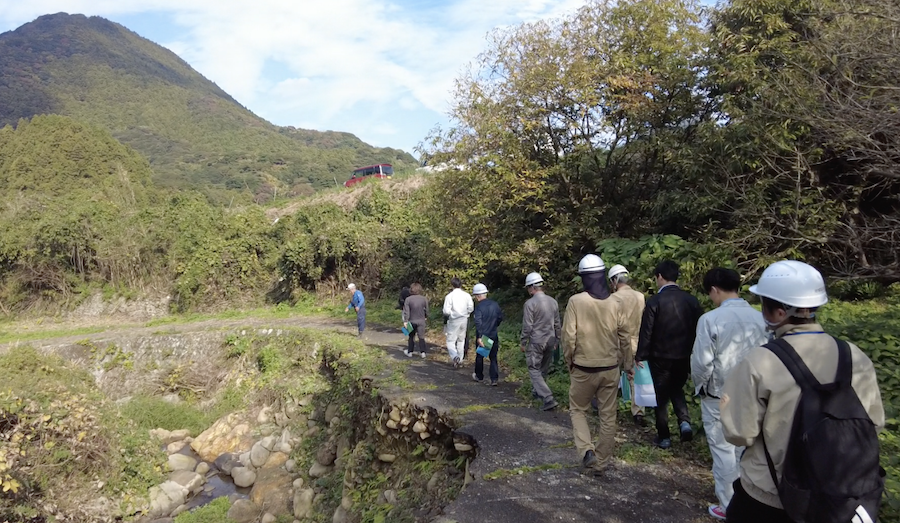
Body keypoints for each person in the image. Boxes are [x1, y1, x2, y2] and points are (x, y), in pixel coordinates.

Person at [720, 261, 884, 522]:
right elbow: (873, 422)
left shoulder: (761, 361)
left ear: (779, 313)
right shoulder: (855, 356)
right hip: (838, 496)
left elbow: (739, 433)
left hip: (770, 497)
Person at [690, 268, 768, 520]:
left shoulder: (711, 320)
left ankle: (728, 506)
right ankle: (748, 503)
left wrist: (700, 387)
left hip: (719, 395)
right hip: (756, 395)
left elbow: (702, 363)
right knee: (746, 450)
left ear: (714, 289)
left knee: (722, 451)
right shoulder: (761, 319)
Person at [562, 254, 633, 476]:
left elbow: (568, 338)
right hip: (610, 368)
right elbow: (625, 336)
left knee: (577, 410)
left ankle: (586, 451)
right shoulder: (615, 302)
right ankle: (601, 464)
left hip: (583, 368)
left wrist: (569, 362)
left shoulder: (576, 301)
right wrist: (627, 364)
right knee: (608, 416)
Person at [636, 260, 703, 449]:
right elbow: (699, 329)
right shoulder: (691, 300)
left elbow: (646, 331)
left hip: (660, 356)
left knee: (661, 396)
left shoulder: (655, 301)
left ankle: (664, 436)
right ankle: (685, 422)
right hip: (684, 355)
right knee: (677, 388)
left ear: (659, 277)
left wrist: (640, 355)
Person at [608, 264, 646, 425]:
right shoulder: (640, 296)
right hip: (637, 340)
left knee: (611, 375)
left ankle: (609, 407)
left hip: (616, 342)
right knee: (635, 377)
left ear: (614, 280)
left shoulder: (613, 299)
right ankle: (638, 412)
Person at [520, 272, 561, 411]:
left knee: (533, 369)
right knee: (543, 368)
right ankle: (537, 391)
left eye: (528, 288)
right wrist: (557, 340)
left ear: (532, 287)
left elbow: (527, 326)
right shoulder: (553, 301)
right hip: (550, 339)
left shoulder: (530, 304)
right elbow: (557, 323)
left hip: (536, 341)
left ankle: (548, 397)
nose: (528, 290)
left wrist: (523, 342)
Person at [472, 283, 504, 385]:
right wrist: (495, 326)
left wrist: (480, 336)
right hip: (493, 334)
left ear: (477, 296)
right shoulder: (495, 304)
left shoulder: (479, 307)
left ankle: (479, 376)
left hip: (484, 335)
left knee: (480, 356)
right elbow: (500, 318)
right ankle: (494, 379)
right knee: (493, 358)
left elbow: (478, 322)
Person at [443, 277, 474, 366]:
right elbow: (471, 308)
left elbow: (446, 311)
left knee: (450, 341)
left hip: (454, 320)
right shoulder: (466, 295)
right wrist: (466, 313)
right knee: (461, 340)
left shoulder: (449, 296)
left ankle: (454, 356)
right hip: (464, 319)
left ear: (452, 285)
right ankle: (460, 359)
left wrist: (452, 314)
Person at [402, 283, 428, 359]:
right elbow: (427, 310)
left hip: (411, 320)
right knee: (421, 336)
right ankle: (423, 352)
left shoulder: (408, 299)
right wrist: (426, 316)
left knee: (411, 336)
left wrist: (405, 321)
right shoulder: (424, 299)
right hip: (421, 320)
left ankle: (410, 352)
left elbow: (406, 311)